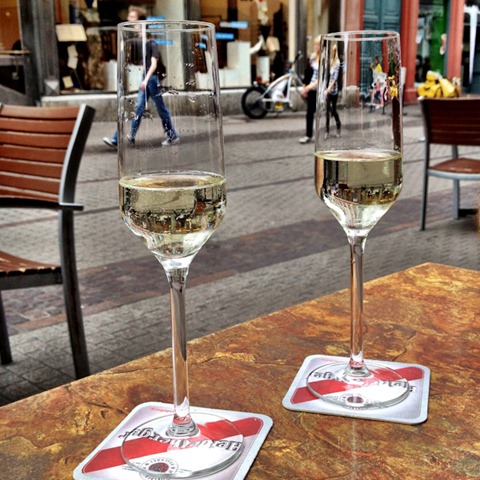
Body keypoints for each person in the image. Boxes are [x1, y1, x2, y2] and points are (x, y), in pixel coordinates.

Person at [103, 6, 178, 149]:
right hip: (147, 79)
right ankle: (123, 138)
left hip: (151, 80)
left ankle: (172, 135)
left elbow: (154, 64)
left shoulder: (151, 44)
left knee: (160, 109)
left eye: (132, 17)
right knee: (138, 108)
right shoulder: (141, 43)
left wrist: (146, 79)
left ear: (141, 22)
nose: (129, 19)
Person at [299, 36, 320, 144]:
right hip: (311, 89)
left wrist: (309, 87)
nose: (316, 46)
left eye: (318, 44)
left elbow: (322, 77)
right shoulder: (312, 57)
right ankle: (308, 135)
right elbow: (307, 72)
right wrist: (305, 86)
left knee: (322, 113)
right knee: (309, 113)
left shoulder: (325, 59)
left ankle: (324, 133)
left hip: (320, 90)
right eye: (315, 44)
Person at [324, 43, 341, 139]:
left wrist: (329, 89)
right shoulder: (331, 62)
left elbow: (335, 78)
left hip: (334, 90)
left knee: (333, 110)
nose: (332, 53)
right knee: (327, 110)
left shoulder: (337, 62)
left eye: (334, 51)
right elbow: (328, 76)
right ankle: (327, 131)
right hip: (328, 90)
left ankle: (338, 124)